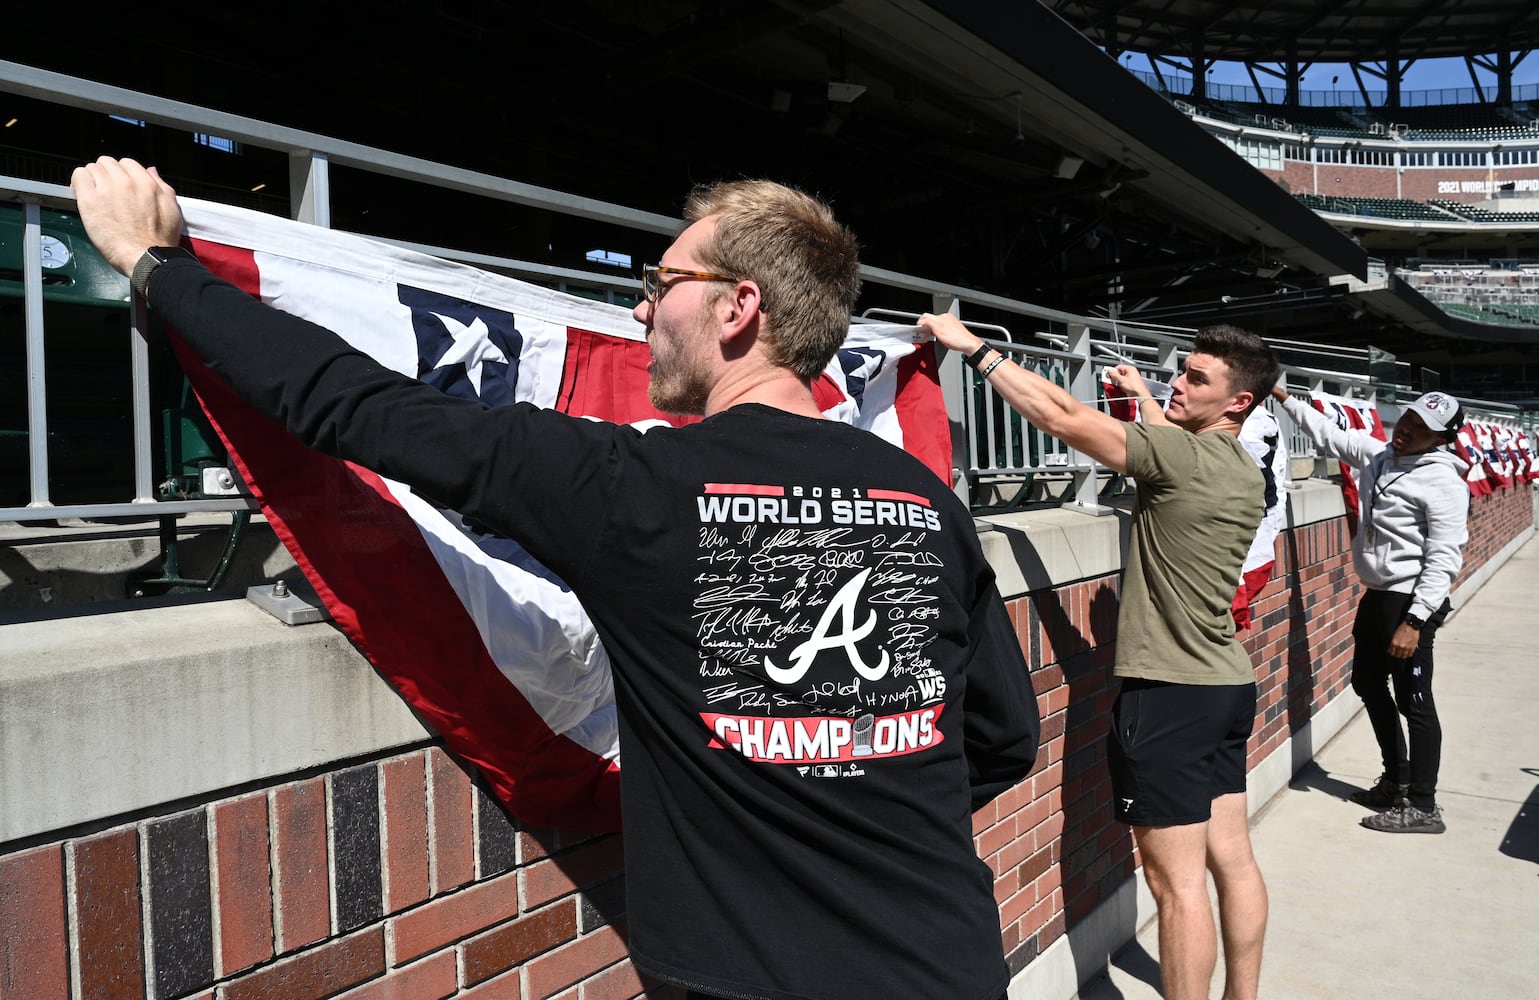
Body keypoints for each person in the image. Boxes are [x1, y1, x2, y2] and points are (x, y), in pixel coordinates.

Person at [71, 157, 1040, 1000]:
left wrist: (157, 269)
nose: (642, 305)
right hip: (953, 961)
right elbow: (1001, 738)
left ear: (740, 307)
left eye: (664, 281)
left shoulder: (633, 487)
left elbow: (358, 407)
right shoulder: (925, 501)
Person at [920, 314, 1278, 1000]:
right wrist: (1144, 394)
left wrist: (975, 351)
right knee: (1230, 859)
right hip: (1225, 686)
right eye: (1180, 370)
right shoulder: (1237, 465)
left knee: (1174, 890)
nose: (1180, 382)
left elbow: (1058, 414)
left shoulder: (1178, 456)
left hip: (1168, 695)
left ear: (1237, 401)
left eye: (1195, 379)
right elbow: (1173, 441)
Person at [1273, 386, 1469, 834]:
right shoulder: (1380, 454)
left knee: (1415, 701)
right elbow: (1328, 434)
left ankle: (1423, 806)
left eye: (1423, 428)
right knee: (1366, 681)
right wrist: (1284, 398)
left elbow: (1444, 559)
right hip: (1379, 595)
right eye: (1409, 418)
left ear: (1443, 439)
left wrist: (1416, 621)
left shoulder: (1444, 483)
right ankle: (1395, 779)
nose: (1408, 429)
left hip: (1411, 600)